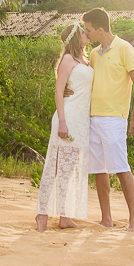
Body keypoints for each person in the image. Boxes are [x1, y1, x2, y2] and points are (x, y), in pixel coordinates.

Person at [82, 8, 134, 232]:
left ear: (100, 29)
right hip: (94, 118)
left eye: (88, 30)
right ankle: (106, 219)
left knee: (120, 167)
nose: (86, 34)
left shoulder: (125, 48)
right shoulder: (93, 53)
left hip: (114, 119)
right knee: (99, 169)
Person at [35, 23, 93, 232]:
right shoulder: (68, 59)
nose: (87, 33)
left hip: (81, 120)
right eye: (83, 32)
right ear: (75, 38)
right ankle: (41, 212)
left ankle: (65, 216)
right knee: (55, 166)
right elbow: (59, 90)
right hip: (67, 117)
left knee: (68, 171)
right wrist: (62, 121)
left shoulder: (85, 60)